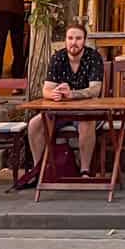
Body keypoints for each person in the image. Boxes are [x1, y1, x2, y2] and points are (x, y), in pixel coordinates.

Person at [24, 22, 105, 181]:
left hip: (86, 111)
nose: (74, 42)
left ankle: (85, 171)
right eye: (70, 38)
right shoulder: (58, 57)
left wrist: (72, 95)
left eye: (78, 38)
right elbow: (46, 89)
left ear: (84, 40)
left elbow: (95, 90)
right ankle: (39, 170)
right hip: (60, 111)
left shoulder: (93, 57)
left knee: (86, 122)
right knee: (35, 124)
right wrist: (53, 94)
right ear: (65, 40)